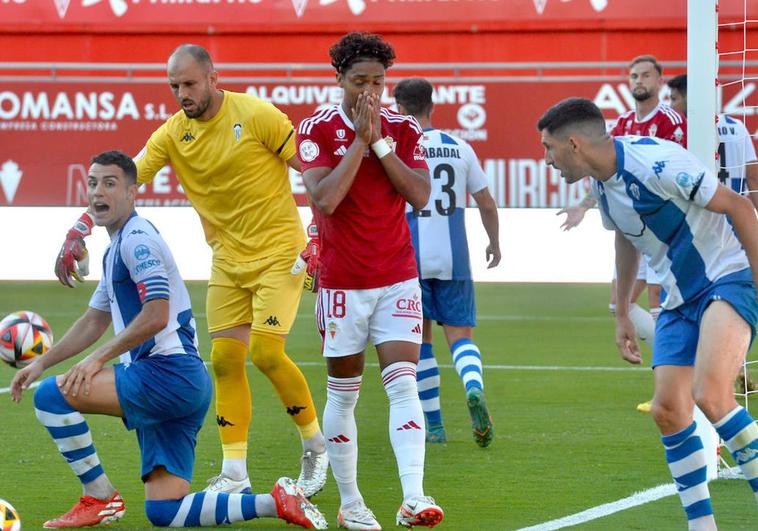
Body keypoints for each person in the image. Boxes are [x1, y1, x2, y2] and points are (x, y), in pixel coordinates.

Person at [53, 44, 328, 498]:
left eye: (189, 84)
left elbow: (315, 174)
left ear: (213, 78)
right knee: (223, 361)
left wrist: (319, 234)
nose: (182, 94)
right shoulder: (172, 134)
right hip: (227, 260)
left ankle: (315, 446)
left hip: (281, 253)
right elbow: (124, 178)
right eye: (174, 86)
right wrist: (79, 228)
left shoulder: (258, 115)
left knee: (265, 353)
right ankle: (235, 473)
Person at [10, 151, 326, 529]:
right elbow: (93, 320)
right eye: (93, 183)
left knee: (51, 397)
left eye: (110, 183)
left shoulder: (137, 239)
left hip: (165, 375)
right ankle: (277, 502)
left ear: (132, 192)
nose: (98, 192)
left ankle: (99, 497)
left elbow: (156, 313)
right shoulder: (116, 246)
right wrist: (42, 362)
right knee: (165, 511)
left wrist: (96, 360)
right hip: (181, 386)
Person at [538, 97, 758, 530]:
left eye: (549, 148)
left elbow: (740, 206)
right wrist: (621, 311)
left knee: (710, 395)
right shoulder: (601, 182)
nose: (547, 159)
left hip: (725, 276)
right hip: (677, 298)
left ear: (574, 144)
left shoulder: (655, 163)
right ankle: (702, 526)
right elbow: (624, 237)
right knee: (668, 410)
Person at [296, 32, 444, 530]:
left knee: (403, 383)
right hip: (342, 282)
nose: (369, 92)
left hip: (397, 276)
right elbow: (326, 200)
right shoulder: (315, 127)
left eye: (378, 82)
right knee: (344, 391)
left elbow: (421, 196)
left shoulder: (401, 127)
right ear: (338, 78)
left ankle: (414, 497)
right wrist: (360, 139)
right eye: (359, 81)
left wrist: (379, 138)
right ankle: (352, 504)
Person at [556, 55, 687, 412]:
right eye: (633, 75)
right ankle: (679, 376)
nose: (638, 81)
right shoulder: (623, 123)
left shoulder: (673, 122)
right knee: (620, 303)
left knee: (665, 301)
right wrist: (583, 205)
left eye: (645, 75)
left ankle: (677, 383)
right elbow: (606, 177)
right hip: (633, 230)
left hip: (664, 229)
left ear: (659, 81)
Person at [392, 77, 500, 447]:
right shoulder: (460, 147)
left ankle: (434, 426)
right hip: (455, 256)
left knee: (419, 341)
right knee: (460, 337)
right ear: (431, 106)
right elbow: (486, 201)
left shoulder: (399, 147)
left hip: (410, 256)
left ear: (401, 109)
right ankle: (472, 386)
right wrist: (494, 243)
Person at [668, 72, 758, 394]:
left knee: (688, 299)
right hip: (736, 226)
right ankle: (736, 363)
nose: (672, 105)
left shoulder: (684, 134)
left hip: (700, 229)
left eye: (675, 98)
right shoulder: (736, 127)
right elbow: (752, 177)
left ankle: (704, 372)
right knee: (734, 298)